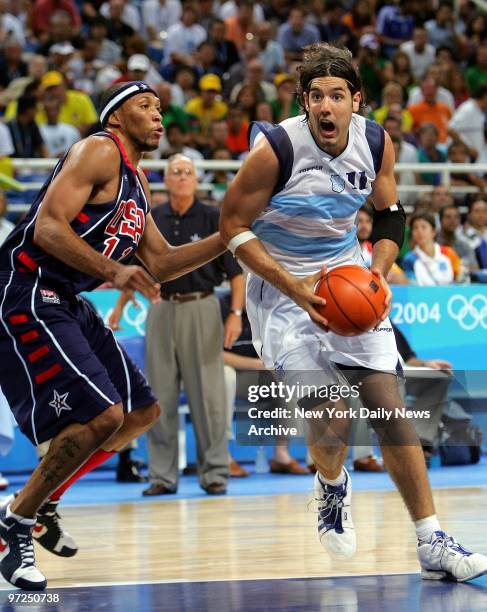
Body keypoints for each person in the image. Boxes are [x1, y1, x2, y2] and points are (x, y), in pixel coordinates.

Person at [220, 43, 487, 581]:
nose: (325, 105)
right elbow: (232, 227)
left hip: (346, 278)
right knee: (332, 416)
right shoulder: (274, 150)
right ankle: (331, 483)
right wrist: (290, 286)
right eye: (315, 95)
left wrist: (377, 274)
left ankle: (431, 538)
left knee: (390, 409)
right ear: (303, 102)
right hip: (280, 289)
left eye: (336, 95)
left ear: (355, 102)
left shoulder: (375, 141)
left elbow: (389, 216)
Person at [0, 81, 227, 591]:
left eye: (160, 108)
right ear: (116, 116)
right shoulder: (98, 150)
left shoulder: (138, 184)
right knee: (103, 414)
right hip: (26, 289)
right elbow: (47, 229)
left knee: (142, 411)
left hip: (66, 298)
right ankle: (15, 520)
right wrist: (115, 271)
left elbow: (163, 262)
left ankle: (42, 500)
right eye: (146, 106)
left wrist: (228, 235)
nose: (158, 115)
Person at [111, 154, 245, 496]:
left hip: (202, 306)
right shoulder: (150, 218)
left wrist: (235, 314)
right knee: (159, 396)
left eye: (187, 172)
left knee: (209, 396)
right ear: (166, 180)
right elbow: (133, 268)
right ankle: (162, 476)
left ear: (196, 179)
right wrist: (119, 307)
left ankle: (214, 471)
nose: (182, 177)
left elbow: (236, 273)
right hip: (160, 309)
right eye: (175, 172)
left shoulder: (214, 216)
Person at [402, 212, 460, 285]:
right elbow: (412, 285)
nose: (419, 231)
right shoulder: (409, 259)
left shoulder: (449, 253)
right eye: (415, 228)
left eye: (424, 227)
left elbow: (459, 278)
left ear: (433, 231)